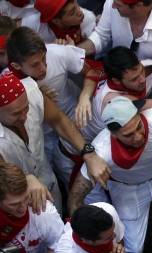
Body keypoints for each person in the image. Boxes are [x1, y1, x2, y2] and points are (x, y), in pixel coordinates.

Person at [67, 95, 152, 253]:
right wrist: (85, 234)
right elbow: (75, 198)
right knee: (133, 252)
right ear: (113, 134)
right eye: (129, 135)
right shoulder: (102, 151)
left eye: (139, 127)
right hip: (129, 191)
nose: (138, 136)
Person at [0, 70, 111, 214]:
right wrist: (26, 179)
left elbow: (59, 121)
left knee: (57, 212)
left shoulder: (32, 91)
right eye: (16, 114)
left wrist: (89, 154)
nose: (24, 116)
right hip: (16, 197)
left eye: (26, 108)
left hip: (46, 175)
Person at [5, 26, 102, 184]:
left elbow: (95, 71)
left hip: (77, 119)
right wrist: (37, 96)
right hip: (43, 139)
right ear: (16, 66)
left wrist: (84, 97)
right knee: (67, 180)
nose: (44, 67)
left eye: (44, 58)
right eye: (35, 64)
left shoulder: (57, 52)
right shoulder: (7, 89)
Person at [0, 162, 63, 253]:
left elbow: (62, 243)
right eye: (14, 204)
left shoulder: (42, 209)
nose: (23, 207)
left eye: (26, 198)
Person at [78, 0, 152, 60]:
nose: (113, 6)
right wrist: (72, 52)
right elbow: (101, 36)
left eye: (119, 5)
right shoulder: (112, 3)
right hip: (116, 77)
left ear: (139, 5)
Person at [22, 0, 96, 44]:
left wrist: (70, 51)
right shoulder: (32, 23)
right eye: (72, 13)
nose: (80, 12)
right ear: (56, 21)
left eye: (76, 4)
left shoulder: (88, 19)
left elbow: (93, 54)